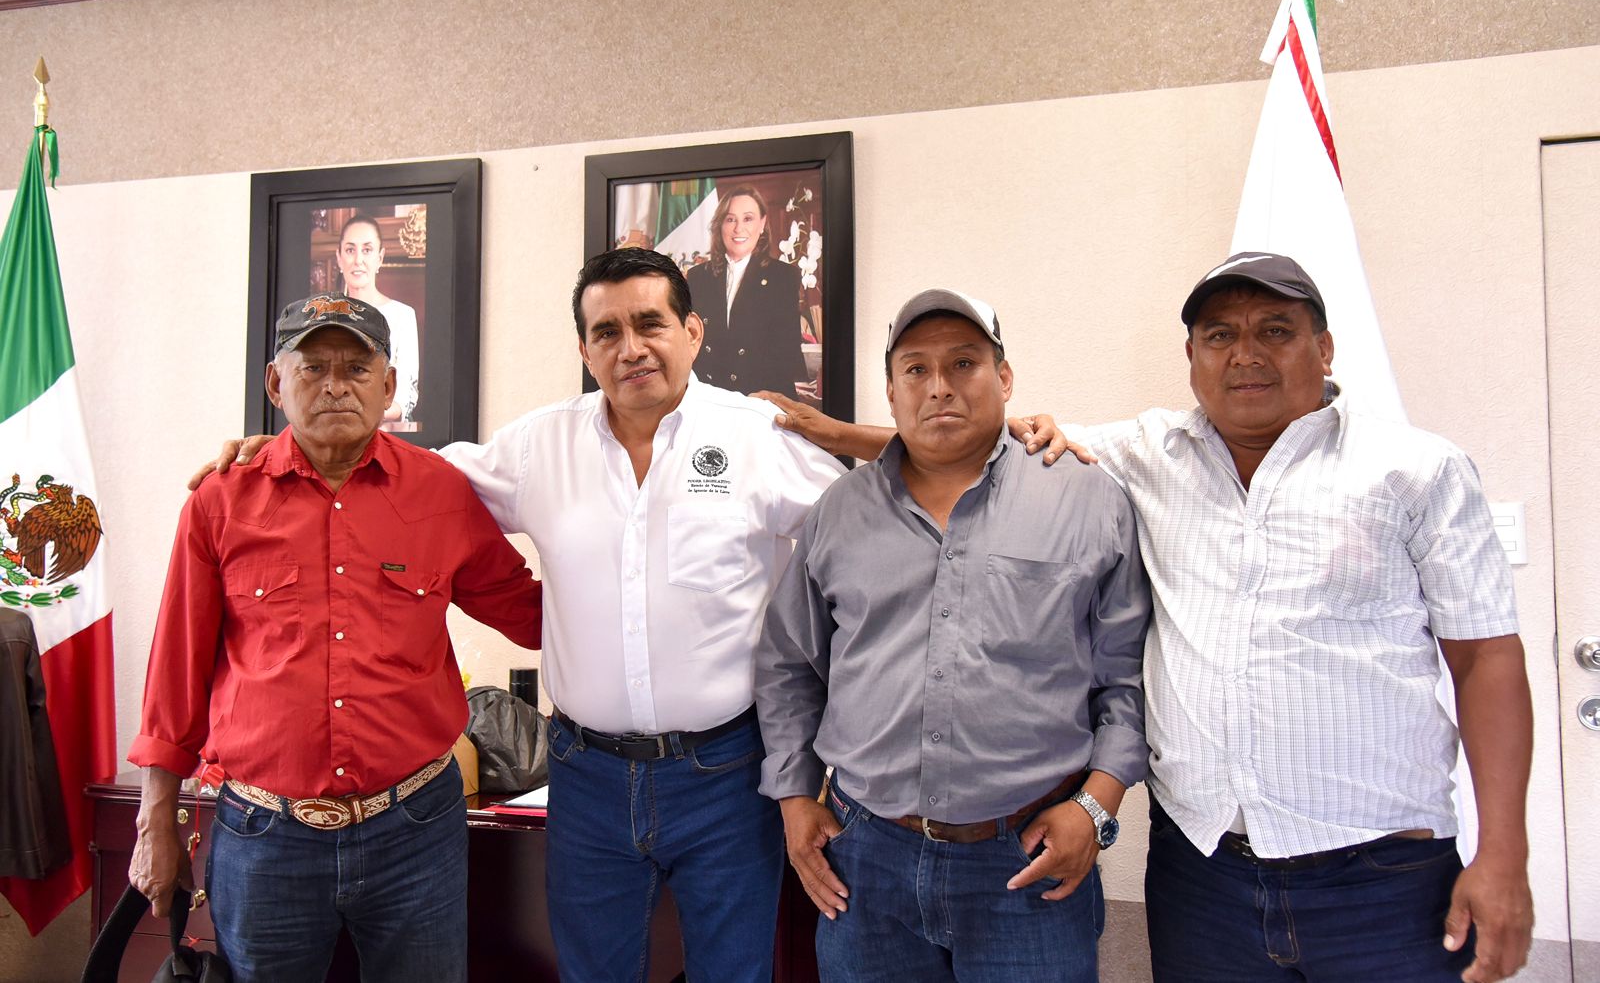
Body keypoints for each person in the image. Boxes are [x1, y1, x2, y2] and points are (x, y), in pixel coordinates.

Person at [196, 251, 1076, 980]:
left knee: (734, 971)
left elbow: (894, 494)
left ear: (693, 332)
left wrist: (999, 435)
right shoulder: (538, 447)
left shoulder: (755, 440)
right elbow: (395, 473)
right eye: (607, 332)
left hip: (728, 774)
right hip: (585, 778)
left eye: (651, 324)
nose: (632, 348)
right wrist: (284, 447)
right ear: (585, 350)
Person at [766, 252, 1535, 983]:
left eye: (1275, 330)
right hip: (1201, 872)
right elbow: (958, 441)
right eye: (1220, 335)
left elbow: (1487, 659)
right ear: (1192, 356)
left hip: (1382, 873)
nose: (1245, 354)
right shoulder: (1147, 453)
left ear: (1325, 347)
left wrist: (1503, 854)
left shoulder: (1416, 470)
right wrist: (833, 436)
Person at [130, 294, 542, 983]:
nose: (335, 386)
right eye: (313, 367)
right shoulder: (220, 501)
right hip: (264, 838)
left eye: (356, 368)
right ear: (276, 384)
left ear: (388, 386)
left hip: (416, 831)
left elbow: (533, 615)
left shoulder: (441, 493)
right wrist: (154, 820)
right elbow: (176, 669)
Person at [755, 288, 1151, 982]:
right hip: (865, 860)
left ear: (1005, 378)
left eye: (964, 363)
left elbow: (1129, 678)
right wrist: (793, 795)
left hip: (1028, 861)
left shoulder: (1087, 500)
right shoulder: (837, 513)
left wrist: (1097, 806)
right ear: (892, 390)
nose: (939, 386)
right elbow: (789, 665)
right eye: (916, 369)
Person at [687, 184, 809, 395]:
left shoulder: (783, 277)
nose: (738, 229)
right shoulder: (698, 276)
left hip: (762, 399)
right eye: (730, 219)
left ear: (762, 224)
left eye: (748, 219)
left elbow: (786, 353)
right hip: (710, 398)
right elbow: (689, 346)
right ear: (720, 225)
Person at [336, 214, 420, 426]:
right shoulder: (324, 316)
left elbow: (405, 396)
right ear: (339, 257)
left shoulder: (403, 315)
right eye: (350, 250)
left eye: (367, 250)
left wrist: (360, 412)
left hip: (384, 429)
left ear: (380, 257)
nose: (358, 260)